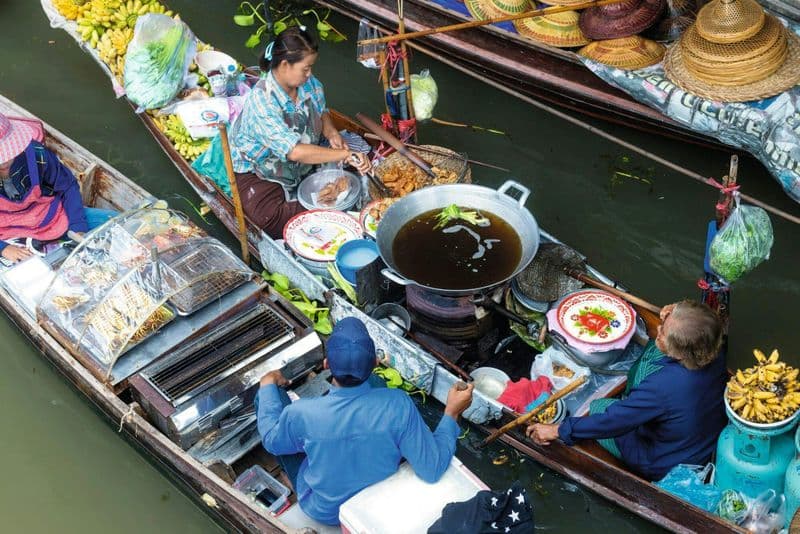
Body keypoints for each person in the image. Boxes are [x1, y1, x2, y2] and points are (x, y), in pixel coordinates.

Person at [255, 317, 474, 525]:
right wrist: (451, 413)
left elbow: (272, 441)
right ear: (375, 362)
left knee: (266, 396)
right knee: (375, 383)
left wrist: (268, 382)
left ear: (326, 364)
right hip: (373, 501)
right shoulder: (398, 404)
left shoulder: (300, 413)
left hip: (326, 511)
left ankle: (268, 389)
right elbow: (432, 468)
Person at [526, 300, 727, 481]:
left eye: (663, 332)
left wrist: (558, 430)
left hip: (661, 462)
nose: (658, 330)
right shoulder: (716, 349)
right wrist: (676, 314)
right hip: (700, 444)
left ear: (680, 354)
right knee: (653, 357)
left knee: (599, 406)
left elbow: (612, 422)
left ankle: (630, 406)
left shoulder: (662, 387)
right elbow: (698, 324)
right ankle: (634, 403)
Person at [228, 27, 371, 238]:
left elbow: (322, 111)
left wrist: (331, 132)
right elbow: (294, 151)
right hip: (262, 170)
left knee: (358, 166)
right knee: (268, 219)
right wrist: (344, 154)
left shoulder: (308, 83)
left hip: (301, 162)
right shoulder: (262, 101)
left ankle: (323, 208)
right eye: (306, 68)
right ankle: (331, 211)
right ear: (285, 65)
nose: (309, 73)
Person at [0, 112, 116, 263]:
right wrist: (3, 248)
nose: (5, 162)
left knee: (116, 222)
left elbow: (67, 186)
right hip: (6, 231)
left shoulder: (37, 154)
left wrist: (78, 227)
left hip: (50, 216)